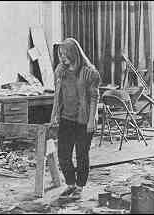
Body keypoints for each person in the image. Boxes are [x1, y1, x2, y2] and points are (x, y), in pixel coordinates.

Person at [50, 38, 101, 200]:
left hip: (84, 120)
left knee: (81, 154)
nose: (62, 58)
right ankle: (70, 183)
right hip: (66, 118)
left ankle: (80, 186)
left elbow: (94, 97)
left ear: (74, 53)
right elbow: (57, 95)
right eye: (60, 54)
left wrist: (92, 120)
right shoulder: (61, 71)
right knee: (63, 154)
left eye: (65, 54)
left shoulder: (89, 72)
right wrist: (55, 116)